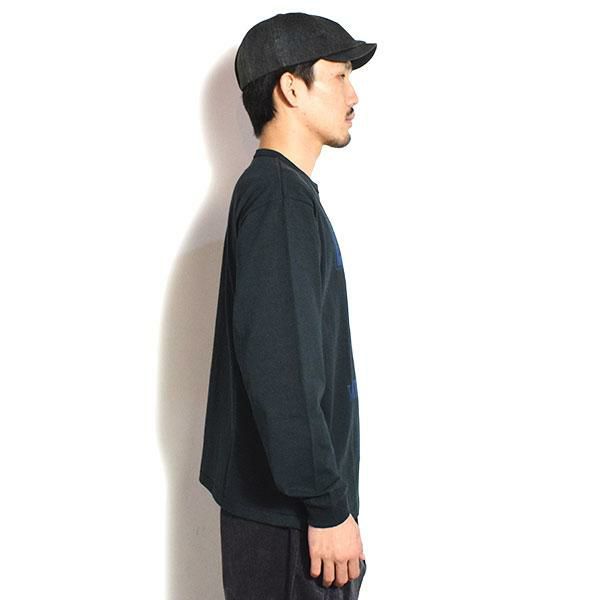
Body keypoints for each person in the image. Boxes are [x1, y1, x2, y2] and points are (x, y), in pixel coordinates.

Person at [199, 12, 377, 599]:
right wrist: (327, 506)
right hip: (292, 525)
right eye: (340, 75)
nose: (354, 95)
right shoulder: (278, 199)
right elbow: (282, 368)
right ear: (291, 89)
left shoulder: (280, 193)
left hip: (289, 519)